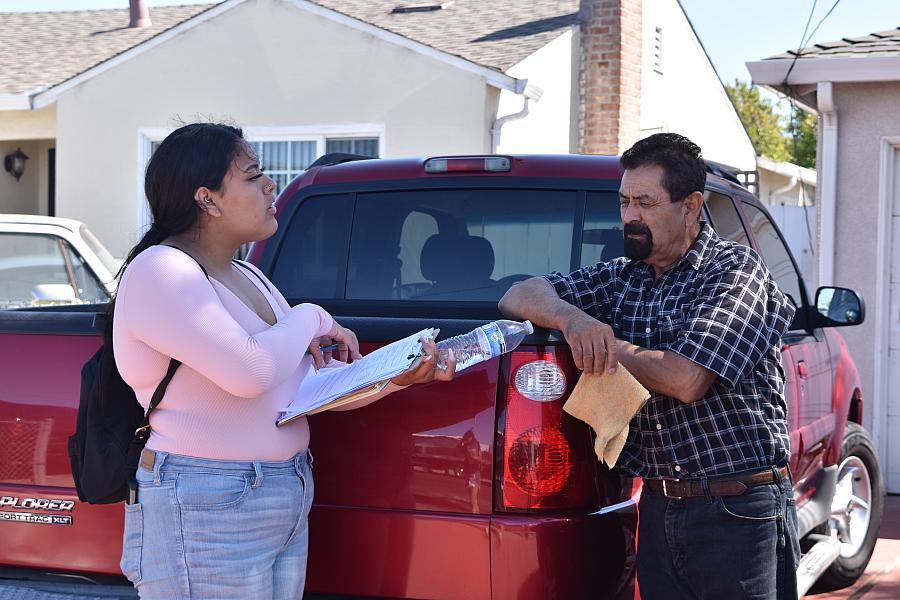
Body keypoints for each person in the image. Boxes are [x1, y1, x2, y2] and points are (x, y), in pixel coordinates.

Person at [112, 122, 456, 600]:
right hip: (205, 498)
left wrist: (400, 375)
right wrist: (312, 316)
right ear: (206, 199)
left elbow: (304, 390)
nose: (270, 184)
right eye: (253, 177)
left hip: (282, 488)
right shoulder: (160, 270)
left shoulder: (248, 274)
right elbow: (251, 372)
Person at [499, 133, 800, 599]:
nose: (630, 217)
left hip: (739, 511)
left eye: (645, 202)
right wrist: (574, 321)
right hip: (658, 505)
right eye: (623, 202)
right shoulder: (623, 275)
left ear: (690, 205)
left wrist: (607, 346)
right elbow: (517, 295)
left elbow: (686, 378)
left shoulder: (737, 270)